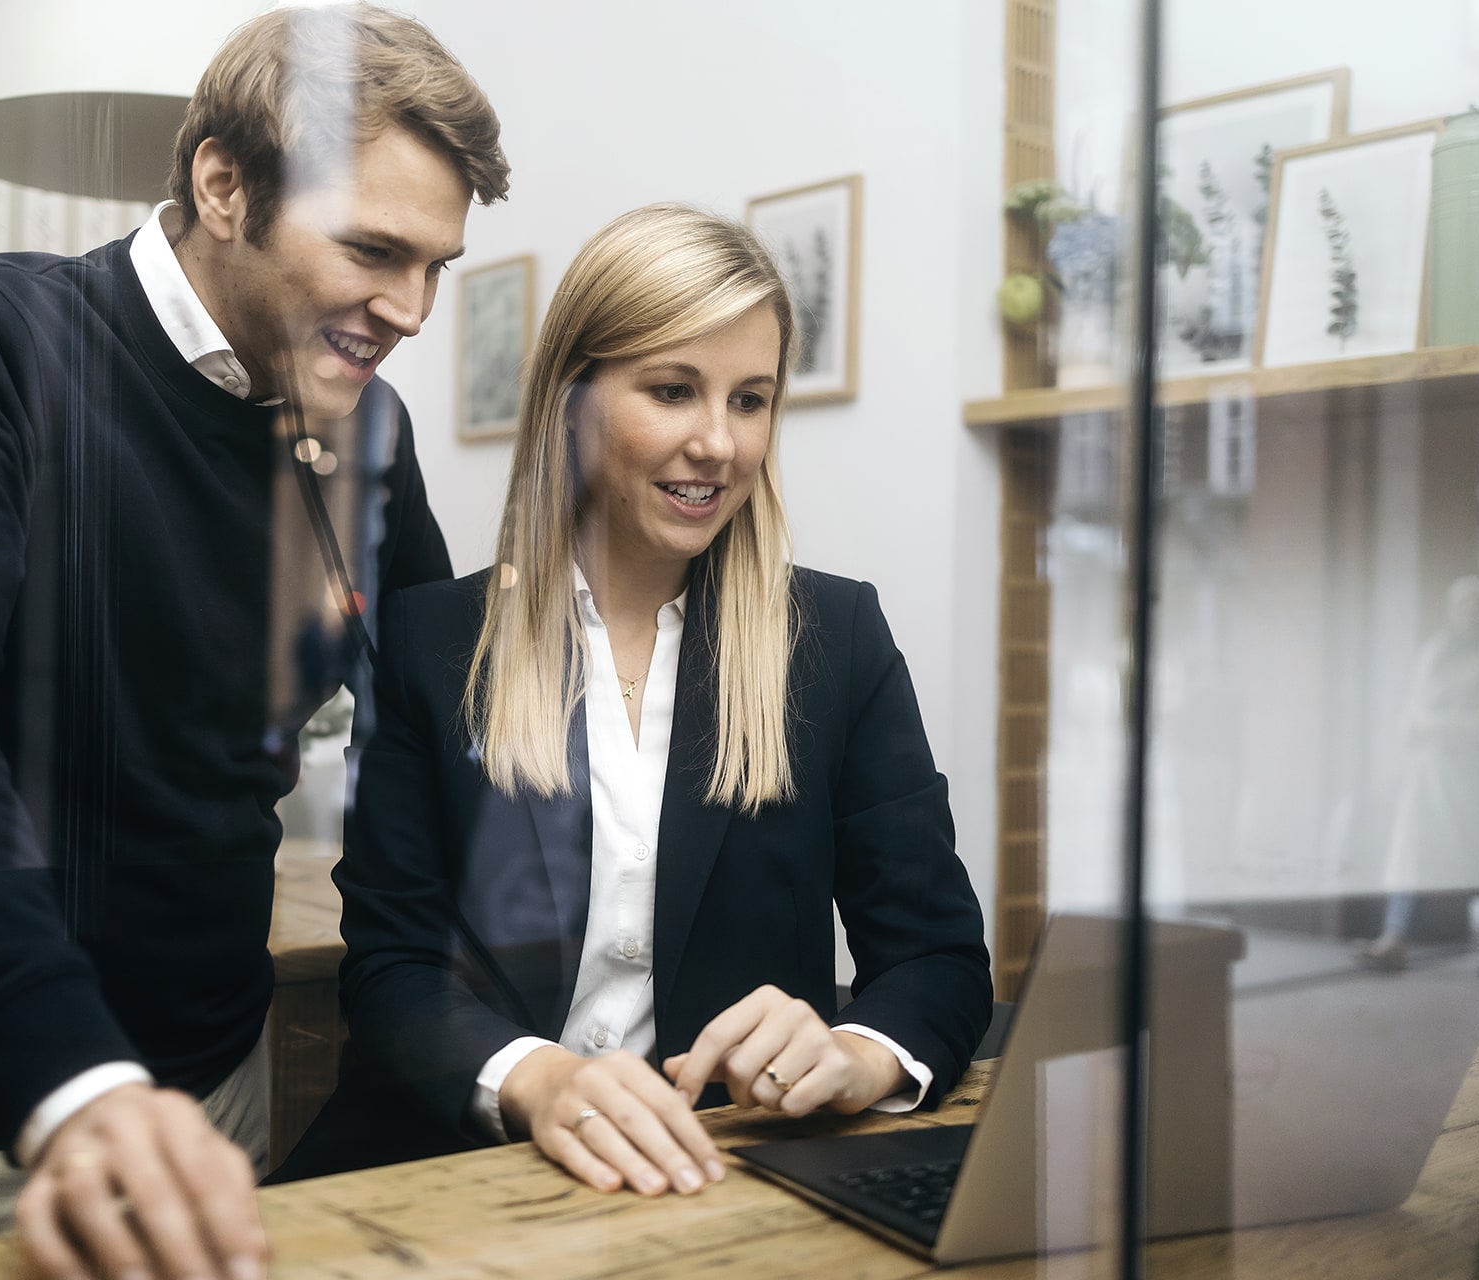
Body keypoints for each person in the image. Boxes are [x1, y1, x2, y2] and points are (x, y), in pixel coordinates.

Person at [0, 6, 508, 1278]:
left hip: (209, 1091)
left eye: (438, 266)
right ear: (222, 183)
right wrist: (81, 1084)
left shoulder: (369, 435)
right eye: (374, 250)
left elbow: (440, 745)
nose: (409, 309)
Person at [274, 204, 990, 1194]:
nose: (718, 443)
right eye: (672, 390)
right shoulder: (428, 643)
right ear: (573, 398)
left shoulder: (838, 641)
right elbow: (393, 972)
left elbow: (939, 960)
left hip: (710, 1185)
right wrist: (538, 1077)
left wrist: (858, 1051)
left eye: (751, 399)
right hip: (453, 1174)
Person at [1358, 574, 1479, 973]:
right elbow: (1411, 709)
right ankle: (1394, 938)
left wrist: (1439, 725)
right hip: (1426, 775)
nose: (1469, 612)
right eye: (1462, 605)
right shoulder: (1433, 652)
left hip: (1476, 778)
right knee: (1410, 857)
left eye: (1477, 605)